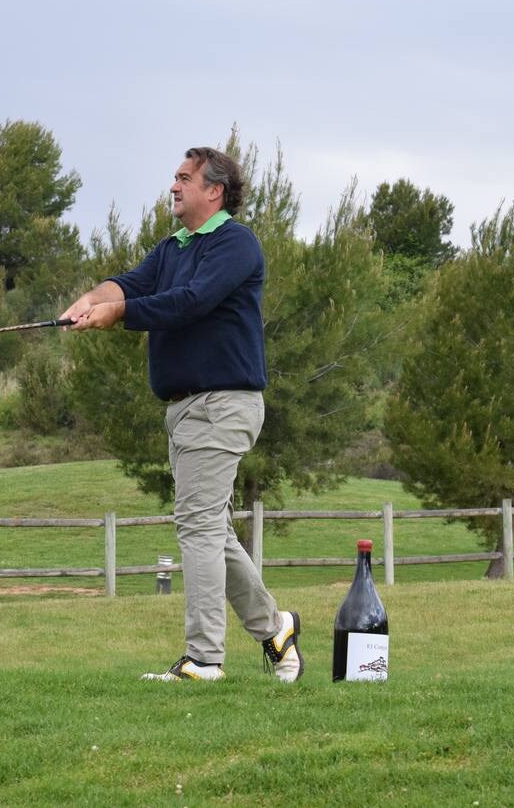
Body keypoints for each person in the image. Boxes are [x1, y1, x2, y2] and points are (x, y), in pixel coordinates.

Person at [61, 146, 303, 683]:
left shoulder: (235, 244)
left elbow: (191, 301)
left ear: (213, 190)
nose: (174, 186)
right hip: (186, 409)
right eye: (174, 177)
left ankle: (204, 658)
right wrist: (91, 298)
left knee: (196, 525)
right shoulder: (173, 247)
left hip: (224, 402)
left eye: (184, 178)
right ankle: (275, 629)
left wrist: (116, 316)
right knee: (211, 528)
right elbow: (130, 283)